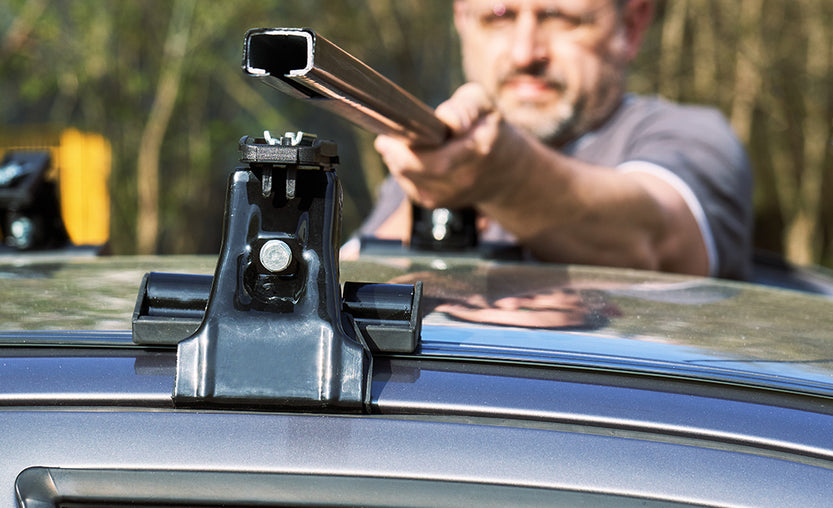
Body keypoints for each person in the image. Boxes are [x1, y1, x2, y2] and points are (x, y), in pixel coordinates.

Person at [354, 0, 753, 280]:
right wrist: (431, 189)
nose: (525, 53)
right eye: (498, 16)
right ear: (461, 19)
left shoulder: (693, 137)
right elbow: (349, 284)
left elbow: (655, 239)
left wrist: (504, 176)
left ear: (630, 25)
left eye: (561, 16)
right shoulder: (432, 159)